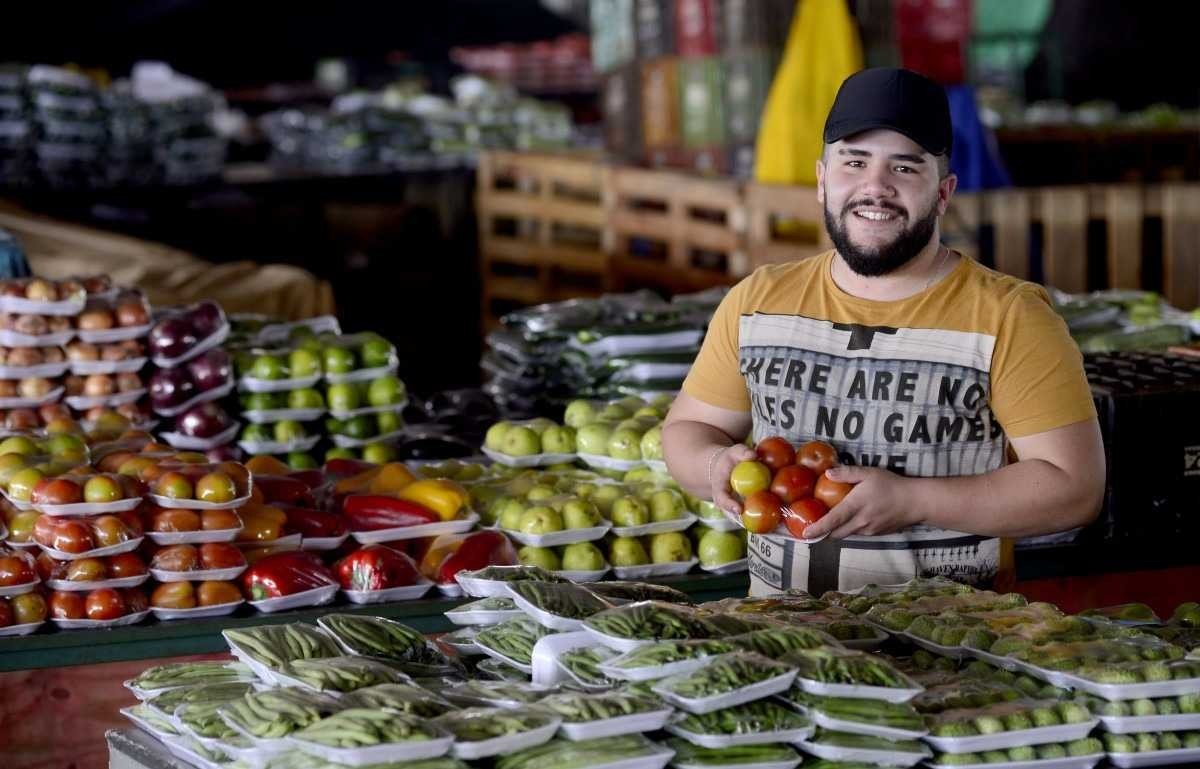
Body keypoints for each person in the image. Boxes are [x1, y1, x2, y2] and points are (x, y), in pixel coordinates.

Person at [662, 67, 1104, 596]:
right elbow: (685, 431)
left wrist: (914, 500)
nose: (876, 186)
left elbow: (1074, 489)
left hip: (956, 651)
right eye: (855, 162)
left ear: (943, 193)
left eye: (905, 167)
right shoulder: (757, 302)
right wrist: (715, 463)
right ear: (824, 179)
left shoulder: (1011, 317)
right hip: (784, 646)